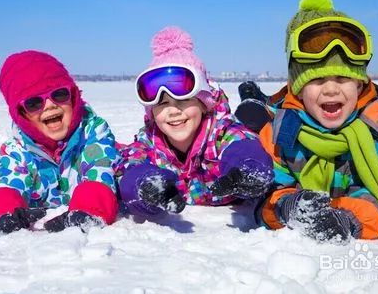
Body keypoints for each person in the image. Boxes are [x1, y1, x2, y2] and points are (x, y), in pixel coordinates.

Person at [234, 0, 378, 243]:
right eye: (317, 80)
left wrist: (349, 217)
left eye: (343, 79)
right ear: (298, 89)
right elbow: (268, 196)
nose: (331, 89)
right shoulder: (280, 132)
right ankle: (254, 97)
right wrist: (288, 206)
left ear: (360, 86)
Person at [117, 26, 274, 216]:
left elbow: (241, 145)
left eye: (183, 100)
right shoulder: (148, 143)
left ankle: (253, 99)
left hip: (251, 123)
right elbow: (131, 167)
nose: (173, 111)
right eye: (163, 104)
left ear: (203, 104)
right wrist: (144, 184)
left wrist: (248, 168)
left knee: (254, 119)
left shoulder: (221, 133)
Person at [0, 50, 121, 238]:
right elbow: (6, 184)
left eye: (59, 94)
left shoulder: (92, 132)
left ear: (74, 96)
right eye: (33, 103)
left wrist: (89, 209)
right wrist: (2, 212)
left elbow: (100, 171)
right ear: (20, 114)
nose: (49, 105)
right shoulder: (17, 150)